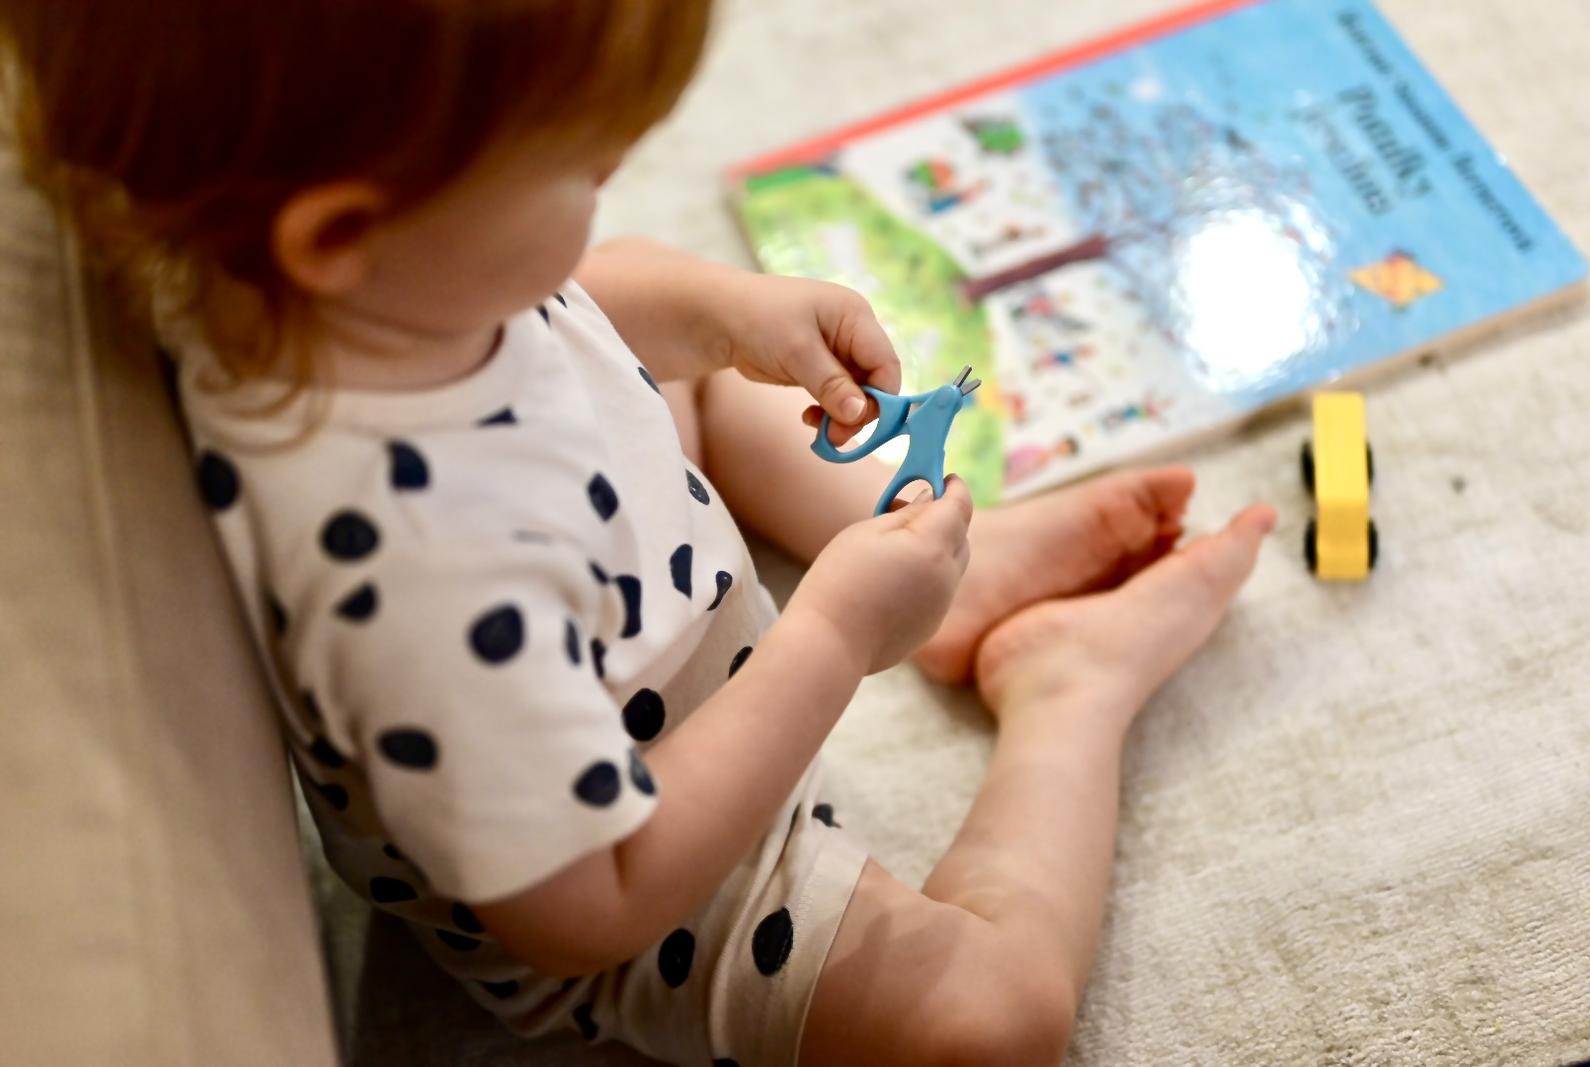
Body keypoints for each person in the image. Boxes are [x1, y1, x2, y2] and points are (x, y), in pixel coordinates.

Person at [0, 3, 1275, 1064]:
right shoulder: (422, 577)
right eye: (581, 167)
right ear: (338, 231)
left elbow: (574, 309)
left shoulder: (356, 286)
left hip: (632, 595)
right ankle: (1064, 688)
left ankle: (966, 580)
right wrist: (835, 633)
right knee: (988, 1022)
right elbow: (588, 904)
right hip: (665, 859)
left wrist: (724, 313)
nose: (613, 177)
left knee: (679, 367)